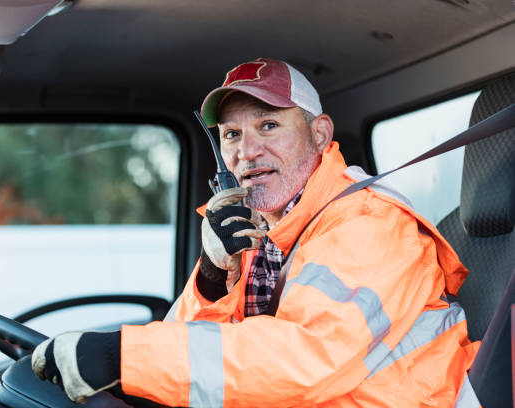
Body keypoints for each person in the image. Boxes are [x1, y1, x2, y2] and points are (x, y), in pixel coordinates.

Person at [31, 58, 480, 407]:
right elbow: (199, 362)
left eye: (268, 125)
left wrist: (124, 355)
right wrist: (209, 277)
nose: (246, 151)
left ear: (320, 135)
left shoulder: (371, 224)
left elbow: (307, 360)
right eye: (230, 134)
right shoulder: (262, 229)